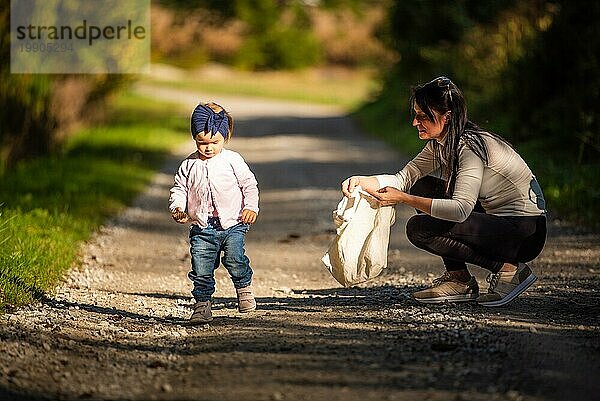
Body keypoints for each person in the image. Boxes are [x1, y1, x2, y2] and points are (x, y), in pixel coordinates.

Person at [342, 76, 546, 307]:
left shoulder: (470, 147)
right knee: (421, 186)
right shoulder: (442, 143)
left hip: (524, 233)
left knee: (420, 229)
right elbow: (404, 178)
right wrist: (362, 181)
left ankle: (508, 271)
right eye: (415, 115)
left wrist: (405, 199)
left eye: (422, 116)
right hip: (498, 223)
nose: (415, 122)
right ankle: (459, 280)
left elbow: (460, 210)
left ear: (446, 116)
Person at [169, 102, 259, 323]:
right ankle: (202, 305)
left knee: (235, 258)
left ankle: (244, 289)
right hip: (202, 226)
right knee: (201, 267)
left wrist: (250, 207)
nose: (208, 147)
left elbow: (249, 185)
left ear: (225, 137)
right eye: (202, 142)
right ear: (194, 139)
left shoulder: (232, 160)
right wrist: (177, 207)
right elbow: (180, 188)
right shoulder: (188, 165)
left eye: (214, 142)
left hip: (233, 223)